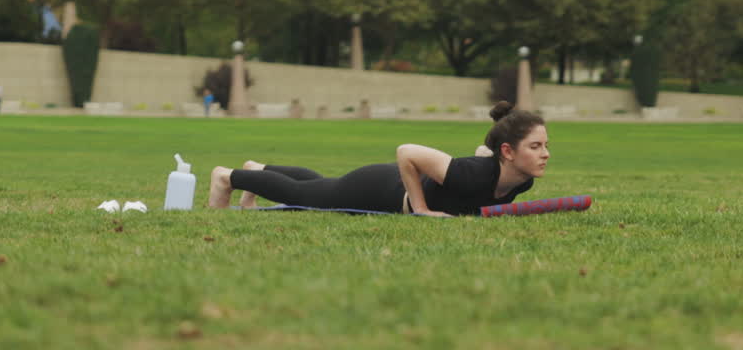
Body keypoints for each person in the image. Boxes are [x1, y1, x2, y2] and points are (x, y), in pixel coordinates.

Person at [207, 101, 548, 217]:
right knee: (307, 197)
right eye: (535, 147)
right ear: (508, 152)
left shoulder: (520, 178)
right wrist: (422, 209)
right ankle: (228, 177)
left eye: (545, 146)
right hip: (379, 190)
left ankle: (259, 169)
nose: (545, 154)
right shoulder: (470, 174)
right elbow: (407, 152)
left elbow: (483, 153)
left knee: (322, 184)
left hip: (387, 182)